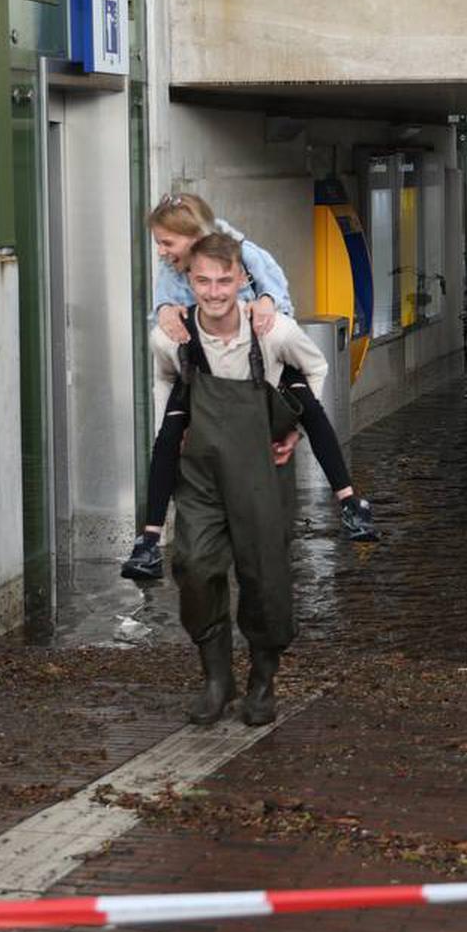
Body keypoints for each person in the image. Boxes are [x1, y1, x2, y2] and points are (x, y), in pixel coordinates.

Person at [120, 193, 377, 589]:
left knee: (306, 402)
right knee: (169, 433)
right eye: (203, 282)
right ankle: (150, 539)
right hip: (205, 363)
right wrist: (167, 314)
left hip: (261, 353)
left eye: (167, 242)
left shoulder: (242, 257)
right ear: (192, 280)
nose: (161, 250)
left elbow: (277, 293)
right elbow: (162, 315)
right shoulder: (171, 276)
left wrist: (268, 303)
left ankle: (348, 501)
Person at [151, 232, 326, 725]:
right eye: (202, 281)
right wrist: (172, 426)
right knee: (193, 563)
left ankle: (263, 681)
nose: (213, 291)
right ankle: (216, 677)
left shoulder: (272, 331)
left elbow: (316, 368)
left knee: (264, 574)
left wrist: (292, 429)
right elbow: (164, 376)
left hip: (260, 468)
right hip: (201, 470)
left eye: (223, 280)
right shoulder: (172, 335)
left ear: (242, 280)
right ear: (189, 281)